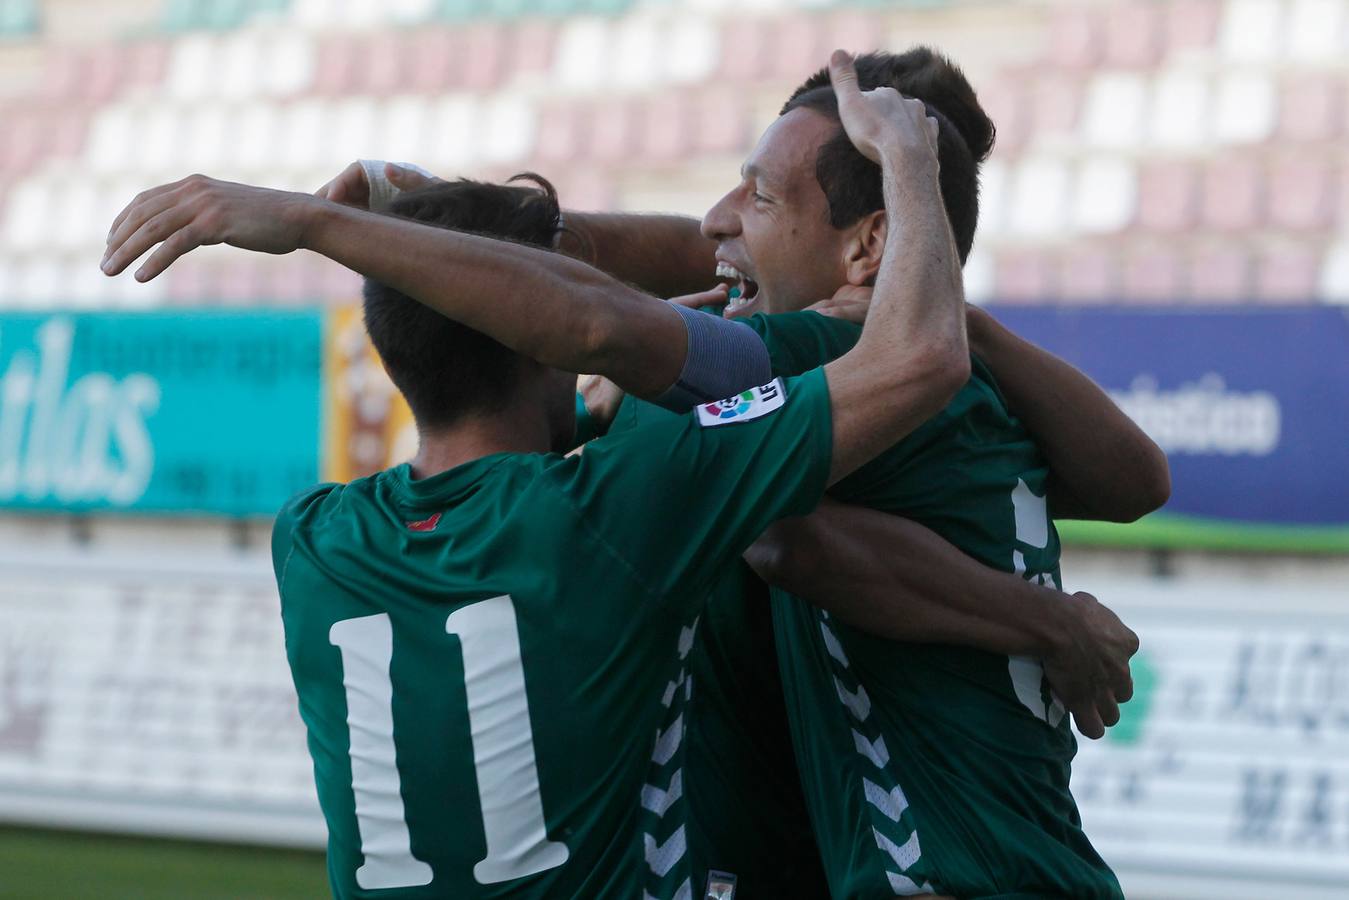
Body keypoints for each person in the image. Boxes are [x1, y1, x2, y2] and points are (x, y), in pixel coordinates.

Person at [101, 52, 975, 899]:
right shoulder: (621, 501)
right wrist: (907, 164)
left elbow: (511, 327)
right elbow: (921, 357)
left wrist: (419, 230)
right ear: (542, 342)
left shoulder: (312, 539)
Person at [324, 48, 1164, 897]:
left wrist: (395, 236)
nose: (714, 223)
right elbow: (1140, 484)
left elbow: (603, 329)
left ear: (870, 246)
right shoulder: (955, 368)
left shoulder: (827, 357)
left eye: (759, 196)